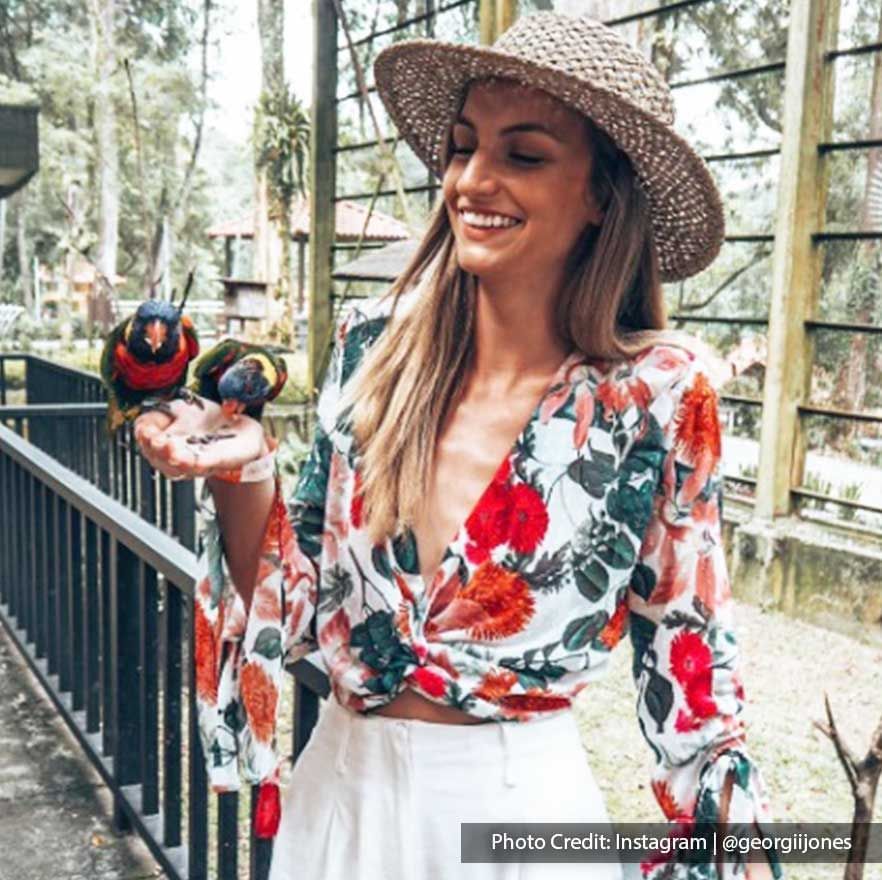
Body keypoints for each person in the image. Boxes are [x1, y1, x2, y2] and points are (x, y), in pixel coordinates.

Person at [134, 12, 781, 880]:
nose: (473, 180)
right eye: (462, 147)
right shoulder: (371, 350)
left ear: (600, 195)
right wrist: (243, 470)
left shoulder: (655, 398)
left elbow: (694, 677)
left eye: (524, 154)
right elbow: (292, 613)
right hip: (339, 805)